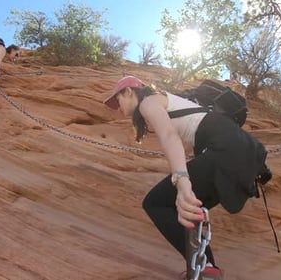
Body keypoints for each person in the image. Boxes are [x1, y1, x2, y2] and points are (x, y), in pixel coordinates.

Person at [103, 76, 268, 280]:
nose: (116, 107)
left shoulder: (148, 101)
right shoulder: (166, 102)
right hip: (242, 151)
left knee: (156, 203)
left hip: (226, 150)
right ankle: (207, 269)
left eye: (116, 100)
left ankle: (204, 265)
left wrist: (182, 183)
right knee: (190, 210)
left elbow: (169, 136)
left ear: (128, 91)